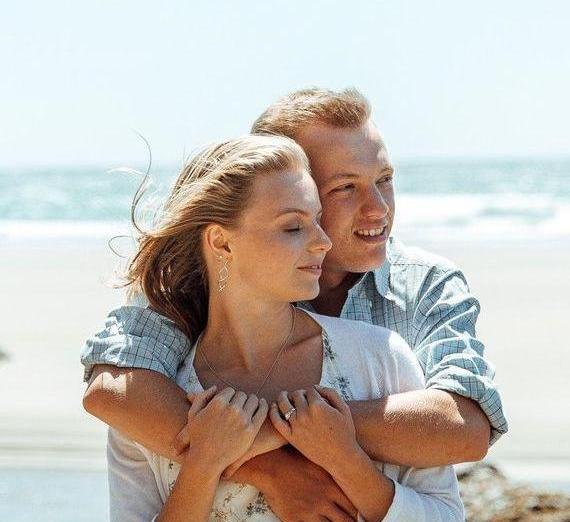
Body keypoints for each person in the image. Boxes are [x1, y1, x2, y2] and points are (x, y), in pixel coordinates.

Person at [82, 87, 507, 521]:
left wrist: (295, 432)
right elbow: (114, 391)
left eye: (384, 180)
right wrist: (269, 469)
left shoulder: (417, 295)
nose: (378, 209)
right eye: (344, 188)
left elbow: (466, 427)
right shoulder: (182, 288)